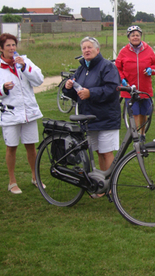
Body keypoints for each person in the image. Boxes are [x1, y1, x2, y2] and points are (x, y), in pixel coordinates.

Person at [0, 33, 44, 195]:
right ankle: (12, 181)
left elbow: (39, 80)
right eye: (8, 45)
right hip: (10, 113)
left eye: (13, 45)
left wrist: (24, 67)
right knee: (12, 147)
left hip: (28, 112)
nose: (12, 48)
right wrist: (2, 88)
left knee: (31, 146)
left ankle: (35, 177)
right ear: (1, 48)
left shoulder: (24, 61)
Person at [63, 36, 121, 197]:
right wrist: (68, 88)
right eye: (84, 48)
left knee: (107, 152)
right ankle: (102, 184)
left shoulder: (107, 67)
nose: (86, 50)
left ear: (97, 50)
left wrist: (91, 93)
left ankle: (111, 186)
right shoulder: (82, 69)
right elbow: (78, 94)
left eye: (89, 47)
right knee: (98, 151)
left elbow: (112, 89)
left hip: (106, 117)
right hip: (88, 118)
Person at [115, 25, 155, 142]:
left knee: (144, 113)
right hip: (130, 88)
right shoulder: (124, 51)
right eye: (133, 35)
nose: (135, 37)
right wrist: (122, 79)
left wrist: (151, 70)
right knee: (134, 112)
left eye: (137, 35)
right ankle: (134, 135)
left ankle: (142, 133)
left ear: (141, 36)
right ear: (128, 38)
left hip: (144, 88)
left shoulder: (148, 49)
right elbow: (117, 68)